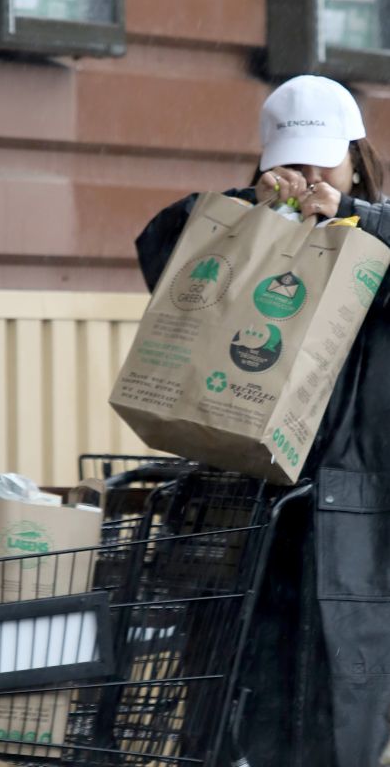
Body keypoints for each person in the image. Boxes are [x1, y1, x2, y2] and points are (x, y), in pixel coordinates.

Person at [135, 75, 390, 767]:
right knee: (235, 715)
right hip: (247, 516)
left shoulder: (375, 231)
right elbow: (162, 247)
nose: (308, 176)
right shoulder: (253, 231)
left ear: (355, 158)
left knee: (337, 718)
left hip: (347, 528)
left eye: (323, 162)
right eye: (291, 161)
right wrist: (254, 210)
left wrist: (355, 219)